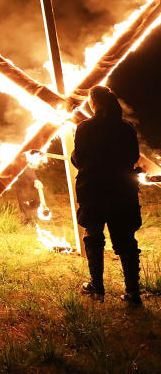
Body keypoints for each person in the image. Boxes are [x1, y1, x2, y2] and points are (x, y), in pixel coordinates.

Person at [72, 86, 143, 307]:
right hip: (122, 189)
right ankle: (133, 293)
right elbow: (133, 156)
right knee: (126, 240)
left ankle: (97, 287)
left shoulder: (84, 128)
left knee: (93, 235)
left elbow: (80, 158)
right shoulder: (126, 128)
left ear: (94, 103)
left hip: (93, 188)